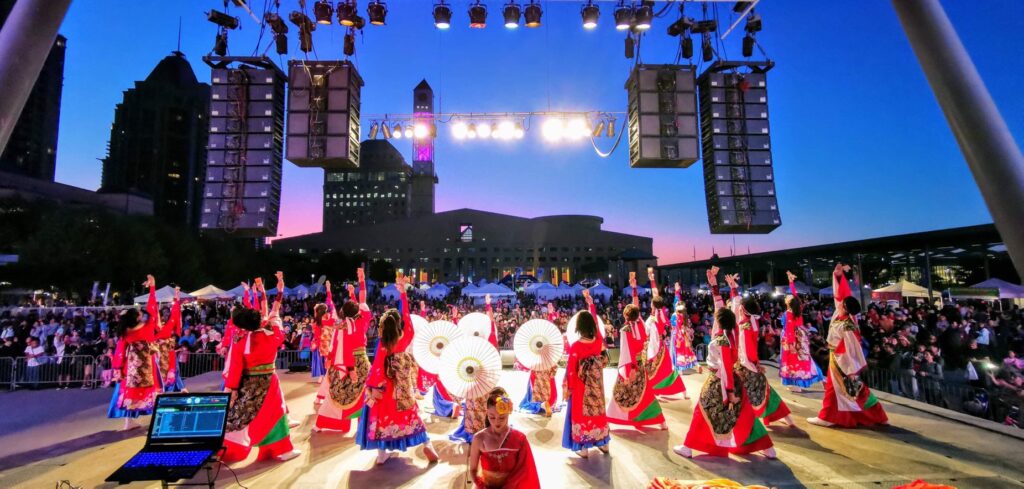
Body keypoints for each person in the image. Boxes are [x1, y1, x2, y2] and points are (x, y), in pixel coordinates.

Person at [674, 267, 775, 459]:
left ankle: (688, 446)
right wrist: (716, 286)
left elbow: (727, 368)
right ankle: (767, 447)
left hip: (722, 381)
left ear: (718, 322)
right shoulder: (734, 331)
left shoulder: (722, 341)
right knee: (745, 416)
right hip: (732, 380)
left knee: (702, 410)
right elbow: (727, 306)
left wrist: (728, 393)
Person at [355, 272, 439, 465]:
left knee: (384, 419)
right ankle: (427, 443)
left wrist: (371, 386)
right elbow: (407, 318)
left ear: (383, 328)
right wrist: (403, 295)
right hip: (404, 388)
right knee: (411, 414)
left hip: (386, 390)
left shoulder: (383, 345)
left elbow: (376, 368)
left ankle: (382, 453)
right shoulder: (406, 336)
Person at [222, 272, 301, 463]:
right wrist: (272, 292)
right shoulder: (270, 335)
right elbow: (276, 319)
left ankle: (228, 450)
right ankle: (281, 449)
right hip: (268, 382)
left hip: (246, 384)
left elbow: (235, 366)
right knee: (275, 414)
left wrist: (231, 388)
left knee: (241, 415)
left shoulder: (240, 338)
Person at [808, 264, 889, 428]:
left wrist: (851, 368)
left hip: (842, 361)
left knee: (843, 388)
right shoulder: (841, 314)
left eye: (842, 303)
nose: (838, 303)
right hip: (837, 357)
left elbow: (853, 349)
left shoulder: (848, 325)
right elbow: (841, 294)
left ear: (845, 307)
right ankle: (877, 415)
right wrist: (838, 276)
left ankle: (828, 417)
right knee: (849, 390)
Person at [725, 273, 793, 427]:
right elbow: (736, 304)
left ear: (743, 310)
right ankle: (786, 418)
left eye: (740, 307)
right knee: (765, 391)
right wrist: (733, 288)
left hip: (746, 365)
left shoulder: (745, 327)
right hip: (746, 363)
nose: (737, 307)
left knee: (747, 393)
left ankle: (743, 422)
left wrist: (755, 364)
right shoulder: (751, 321)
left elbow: (748, 350)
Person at [607, 273, 668, 430]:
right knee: (646, 393)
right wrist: (634, 288)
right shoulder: (641, 324)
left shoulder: (625, 330)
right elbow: (636, 305)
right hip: (641, 364)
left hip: (631, 366)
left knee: (620, 393)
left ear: (625, 316)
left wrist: (629, 370)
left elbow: (626, 353)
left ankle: (611, 418)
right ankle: (660, 421)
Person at [314, 270, 372, 433]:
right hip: (359, 363)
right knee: (365, 394)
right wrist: (361, 282)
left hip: (342, 363)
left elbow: (339, 345)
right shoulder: (362, 322)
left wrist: (331, 358)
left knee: (336, 395)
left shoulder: (340, 326)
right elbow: (362, 302)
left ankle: (325, 422)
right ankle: (365, 425)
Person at [107, 275, 162, 431]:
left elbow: (119, 352)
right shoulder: (146, 328)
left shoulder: (125, 332)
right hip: (147, 367)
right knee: (154, 392)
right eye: (139, 312)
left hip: (129, 369)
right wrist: (152, 288)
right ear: (137, 317)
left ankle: (128, 422)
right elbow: (152, 308)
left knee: (128, 394)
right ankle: (159, 421)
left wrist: (117, 368)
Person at [561, 300, 610, 458]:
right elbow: (595, 322)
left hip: (581, 389)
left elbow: (571, 371)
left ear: (578, 327)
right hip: (597, 387)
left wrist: (570, 389)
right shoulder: (598, 343)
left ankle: (583, 448)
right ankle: (604, 444)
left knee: (581, 416)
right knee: (599, 413)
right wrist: (592, 305)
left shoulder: (576, 346)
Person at [469, 387, 541, 489]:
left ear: (509, 413)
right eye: (492, 417)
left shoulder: (519, 438)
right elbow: (472, 470)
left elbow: (524, 469)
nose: (496, 422)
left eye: (502, 417)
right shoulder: (479, 438)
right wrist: (481, 485)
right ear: (486, 413)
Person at [644, 269, 687, 399]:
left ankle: (660, 390)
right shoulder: (659, 311)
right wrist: (651, 280)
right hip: (659, 346)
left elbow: (656, 333)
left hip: (657, 347)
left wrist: (652, 280)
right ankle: (678, 390)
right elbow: (656, 294)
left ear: (654, 304)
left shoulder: (657, 315)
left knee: (661, 370)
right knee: (664, 370)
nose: (651, 302)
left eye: (652, 302)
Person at [779, 271, 825, 392]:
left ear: (789, 303)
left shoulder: (789, 313)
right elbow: (796, 296)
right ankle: (798, 383)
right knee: (803, 359)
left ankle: (796, 384)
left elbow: (789, 330)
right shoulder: (797, 309)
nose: (786, 297)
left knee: (793, 361)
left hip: (793, 339)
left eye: (787, 297)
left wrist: (790, 344)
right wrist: (791, 282)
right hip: (800, 338)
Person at [156, 287, 186, 392]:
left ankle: (179, 388)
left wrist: (177, 295)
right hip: (158, 353)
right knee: (159, 373)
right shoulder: (156, 326)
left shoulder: (170, 324)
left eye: (167, 312)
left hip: (169, 351)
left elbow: (176, 310)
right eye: (163, 312)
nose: (165, 314)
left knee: (174, 369)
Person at [670, 283, 699, 375]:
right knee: (686, 351)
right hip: (684, 335)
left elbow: (676, 302)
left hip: (677, 335)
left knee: (677, 351)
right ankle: (695, 365)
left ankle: (678, 368)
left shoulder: (676, 315)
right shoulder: (685, 316)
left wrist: (677, 292)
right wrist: (677, 292)